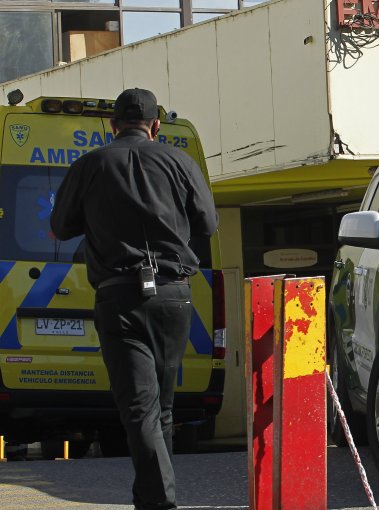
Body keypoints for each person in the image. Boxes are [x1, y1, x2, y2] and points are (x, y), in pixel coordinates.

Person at [50, 88, 217, 510]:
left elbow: (60, 227)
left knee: (140, 410)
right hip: (175, 295)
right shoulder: (181, 162)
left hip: (119, 297)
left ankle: (160, 503)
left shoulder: (90, 165)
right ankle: (150, 500)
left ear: (112, 125)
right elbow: (207, 224)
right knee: (161, 409)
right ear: (156, 125)